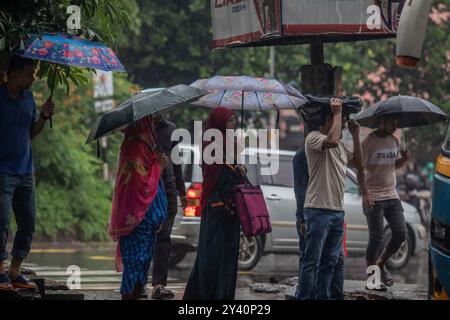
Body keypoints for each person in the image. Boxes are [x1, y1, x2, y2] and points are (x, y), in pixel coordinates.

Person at [297, 98, 362, 300]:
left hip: (336, 212)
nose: (341, 125)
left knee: (330, 262)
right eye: (338, 121)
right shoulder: (314, 138)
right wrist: (337, 113)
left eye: (342, 121)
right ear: (326, 120)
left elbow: (359, 163)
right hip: (317, 210)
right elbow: (331, 140)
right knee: (311, 261)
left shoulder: (341, 146)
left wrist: (356, 135)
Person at [0, 56, 55, 291]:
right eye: (29, 74)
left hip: (25, 171)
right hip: (2, 170)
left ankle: (14, 271)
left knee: (28, 222)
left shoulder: (29, 99)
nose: (34, 77)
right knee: (2, 222)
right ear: (13, 75)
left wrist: (43, 116)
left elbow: (31, 133)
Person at [183, 107, 246, 300]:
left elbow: (234, 176)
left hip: (231, 211)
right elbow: (215, 176)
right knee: (212, 256)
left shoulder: (231, 144)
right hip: (216, 209)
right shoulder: (210, 143)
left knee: (228, 256)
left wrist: (239, 166)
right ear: (219, 123)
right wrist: (234, 170)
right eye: (230, 121)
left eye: (235, 121)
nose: (234, 124)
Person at [108, 116, 169, 300]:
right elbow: (141, 185)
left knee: (141, 268)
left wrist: (157, 164)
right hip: (136, 221)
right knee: (134, 266)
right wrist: (159, 165)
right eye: (149, 124)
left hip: (145, 221)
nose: (152, 129)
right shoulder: (136, 149)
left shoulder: (144, 149)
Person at [361, 115, 410, 289]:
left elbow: (391, 165)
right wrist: (364, 193)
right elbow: (360, 168)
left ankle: (380, 264)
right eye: (391, 121)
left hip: (392, 195)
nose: (395, 125)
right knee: (376, 237)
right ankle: (371, 278)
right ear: (381, 122)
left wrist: (403, 160)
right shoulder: (368, 142)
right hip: (373, 195)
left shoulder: (395, 141)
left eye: (396, 122)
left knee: (400, 233)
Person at [293, 143, 345, 300]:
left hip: (332, 212)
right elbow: (300, 190)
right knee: (311, 261)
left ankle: (331, 295)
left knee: (334, 260)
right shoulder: (303, 156)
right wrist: (302, 219)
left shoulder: (330, 153)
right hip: (313, 214)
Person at [150, 113, 187, 300]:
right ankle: (137, 282)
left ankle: (158, 285)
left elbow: (177, 162)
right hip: (146, 190)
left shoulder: (171, 129)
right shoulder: (140, 129)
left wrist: (182, 191)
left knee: (164, 238)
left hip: (168, 191)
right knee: (144, 237)